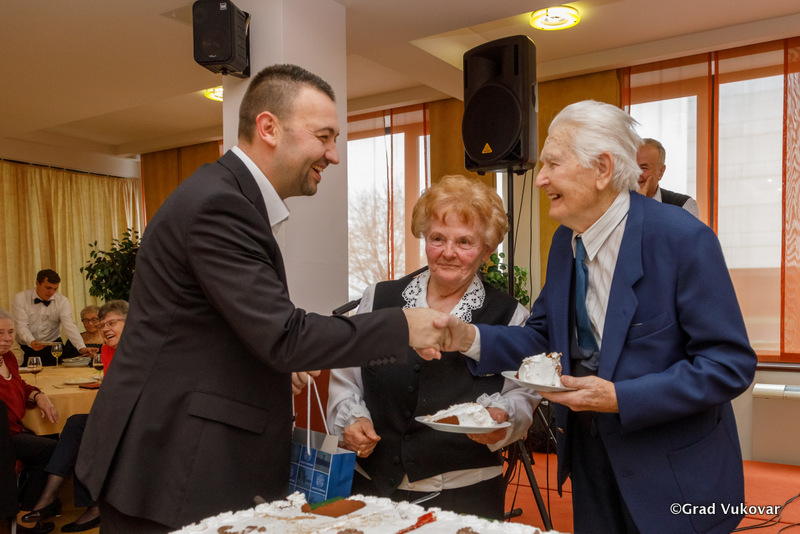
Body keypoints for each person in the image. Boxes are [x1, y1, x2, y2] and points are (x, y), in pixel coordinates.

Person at [74, 64, 448, 534]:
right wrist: (404, 325)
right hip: (173, 465)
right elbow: (285, 336)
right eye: (324, 137)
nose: (334, 156)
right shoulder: (219, 204)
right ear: (269, 128)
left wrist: (268, 371)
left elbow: (212, 330)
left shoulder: (224, 195)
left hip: (179, 459)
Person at [436, 101, 757, 533]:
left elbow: (728, 366)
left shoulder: (683, 239)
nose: (541, 179)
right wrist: (464, 337)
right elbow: (544, 337)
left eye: (552, 163)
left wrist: (621, 397)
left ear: (602, 169)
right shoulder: (564, 243)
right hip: (592, 467)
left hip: (674, 476)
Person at [327, 175, 539, 520]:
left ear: (487, 249)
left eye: (464, 241)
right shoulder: (378, 298)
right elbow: (346, 380)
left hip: (465, 500)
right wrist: (352, 420)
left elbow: (522, 396)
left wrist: (503, 418)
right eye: (438, 238)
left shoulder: (511, 316)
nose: (448, 252)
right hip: (371, 492)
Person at [21, 300, 128, 533]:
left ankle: (54, 500)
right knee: (76, 424)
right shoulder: (107, 351)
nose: (105, 328)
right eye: (103, 324)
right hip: (118, 415)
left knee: (81, 429)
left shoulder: (142, 350)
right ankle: (55, 499)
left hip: (141, 420)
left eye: (111, 323)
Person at [0, 309, 58, 534]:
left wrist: (37, 395)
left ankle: (28, 510)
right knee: (51, 450)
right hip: (4, 438)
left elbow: (21, 386)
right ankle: (26, 516)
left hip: (15, 432)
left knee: (52, 443)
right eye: (0, 333)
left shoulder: (9, 358)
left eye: (10, 332)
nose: (7, 338)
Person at [11, 270, 98, 366]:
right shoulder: (20, 298)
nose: (51, 292)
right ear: (37, 283)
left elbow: (69, 325)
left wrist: (81, 347)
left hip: (53, 348)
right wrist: (31, 341)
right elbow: (21, 326)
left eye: (55, 289)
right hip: (27, 346)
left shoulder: (62, 301)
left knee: (56, 373)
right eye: (48, 288)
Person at [636, 138, 699, 217]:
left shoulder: (684, 205)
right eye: (631, 167)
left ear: (661, 172)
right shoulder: (621, 204)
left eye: (643, 168)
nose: (635, 173)